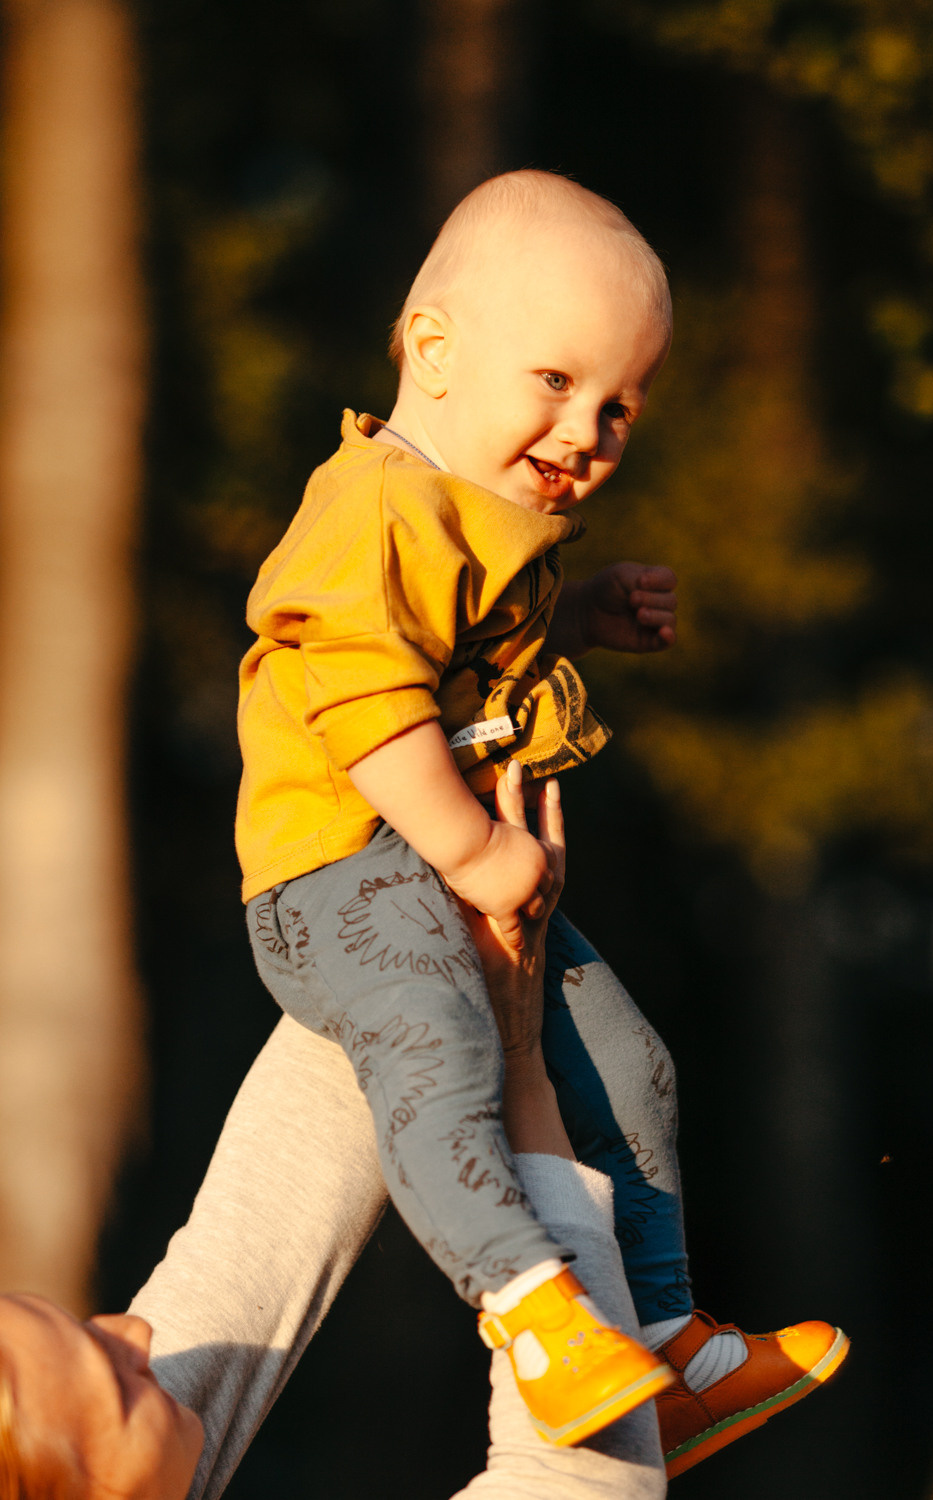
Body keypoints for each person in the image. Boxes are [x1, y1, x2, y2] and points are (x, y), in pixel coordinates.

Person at [236, 167, 848, 1462]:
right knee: (440, 1039)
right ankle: (527, 1305)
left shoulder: (489, 529)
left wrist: (577, 618)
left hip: (449, 872)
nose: (590, 429)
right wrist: (473, 846)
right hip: (336, 883)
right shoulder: (372, 505)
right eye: (558, 382)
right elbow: (368, 699)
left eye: (621, 403)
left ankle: (670, 1346)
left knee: (631, 1066)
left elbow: (471, 654)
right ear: (438, 352)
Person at [0, 773, 667, 1500]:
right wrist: (516, 1063)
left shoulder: (156, 1422)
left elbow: (266, 1223)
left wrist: (415, 863)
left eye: (88, 1328)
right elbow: (584, 1486)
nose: (136, 1336)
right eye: (111, 1382)